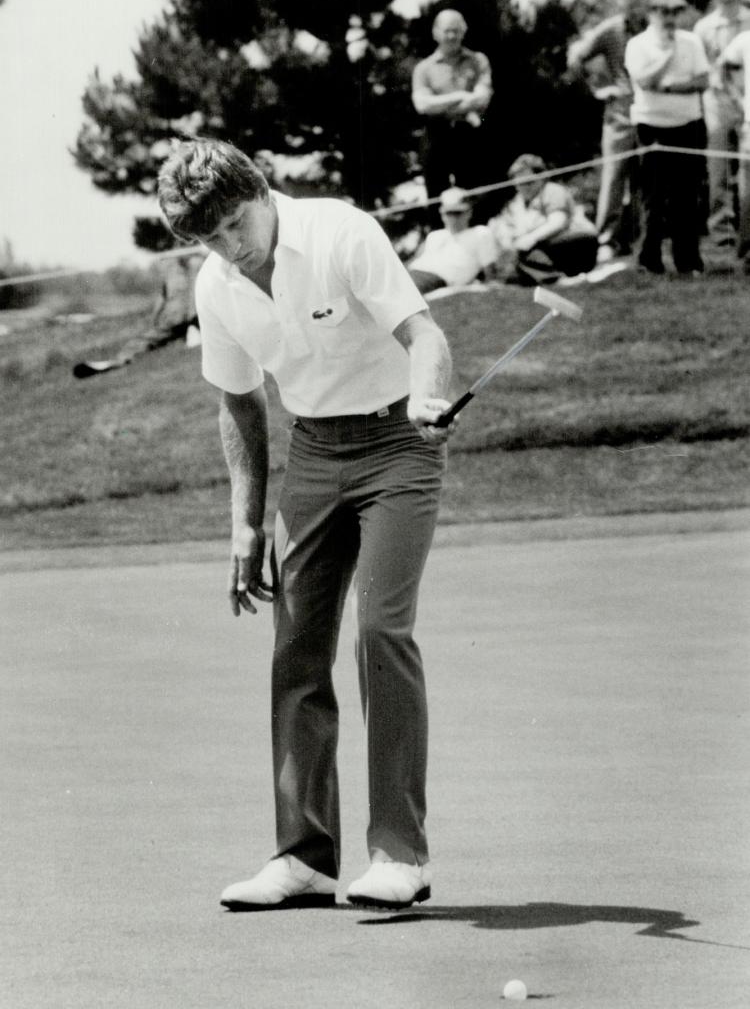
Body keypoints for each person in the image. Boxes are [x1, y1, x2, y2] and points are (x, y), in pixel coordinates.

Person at [157, 138, 454, 912]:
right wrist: (244, 525)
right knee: (297, 649)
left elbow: (426, 337)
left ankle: (400, 854)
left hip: (398, 444)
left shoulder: (340, 231)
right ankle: (305, 857)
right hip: (315, 453)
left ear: (260, 189)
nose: (228, 245)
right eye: (208, 237)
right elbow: (240, 399)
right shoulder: (216, 285)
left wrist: (426, 399)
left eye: (233, 223)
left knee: (381, 631)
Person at [567, 0, 652, 263]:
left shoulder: (656, 25)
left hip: (654, 109)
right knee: (615, 177)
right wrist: (597, 89)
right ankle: (608, 241)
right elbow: (576, 57)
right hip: (620, 111)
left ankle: (643, 240)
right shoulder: (610, 29)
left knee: (647, 178)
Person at [625, 0, 709, 274]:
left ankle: (688, 261)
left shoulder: (693, 41)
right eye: (663, 12)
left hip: (689, 125)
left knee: (688, 196)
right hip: (651, 127)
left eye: (675, 12)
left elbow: (702, 80)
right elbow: (646, 81)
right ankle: (649, 261)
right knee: (653, 196)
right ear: (651, 14)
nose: (669, 18)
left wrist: (671, 87)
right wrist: (668, 56)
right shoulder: (637, 44)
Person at [72, 252, 203, 379]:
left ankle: (193, 334)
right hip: (177, 320)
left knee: (156, 338)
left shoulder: (192, 265)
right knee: (141, 341)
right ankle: (114, 362)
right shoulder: (175, 269)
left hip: (191, 319)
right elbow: (163, 298)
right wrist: (155, 321)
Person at [693, 0, 750, 250]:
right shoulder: (703, 27)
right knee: (718, 170)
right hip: (716, 103)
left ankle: (746, 231)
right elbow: (703, 68)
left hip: (748, 102)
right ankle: (722, 232)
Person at [411, 10, 493, 203]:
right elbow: (422, 105)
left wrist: (440, 105)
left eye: (456, 30)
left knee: (474, 195)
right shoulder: (424, 68)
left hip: (470, 133)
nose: (452, 36)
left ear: (463, 32)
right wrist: (461, 96)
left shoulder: (478, 61)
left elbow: (482, 99)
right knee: (436, 196)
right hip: (436, 135)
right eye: (447, 30)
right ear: (435, 33)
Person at [493, 154, 598, 285]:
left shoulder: (552, 191)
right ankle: (552, 277)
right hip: (550, 251)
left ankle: (556, 278)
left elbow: (558, 222)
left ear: (542, 177)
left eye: (529, 182)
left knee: (526, 247)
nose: (524, 188)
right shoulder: (518, 203)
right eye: (519, 184)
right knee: (519, 254)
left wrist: (529, 238)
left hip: (577, 242)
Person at [408, 186, 499, 294]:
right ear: (442, 214)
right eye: (448, 213)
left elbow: (490, 274)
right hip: (414, 274)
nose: (453, 218)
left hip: (438, 278)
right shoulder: (434, 236)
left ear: (469, 212)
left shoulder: (480, 233)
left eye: (457, 213)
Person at [715, 23, 750, 270]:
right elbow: (721, 69)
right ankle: (748, 251)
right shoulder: (745, 40)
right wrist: (737, 101)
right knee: (748, 193)